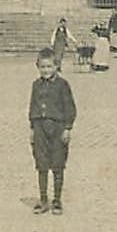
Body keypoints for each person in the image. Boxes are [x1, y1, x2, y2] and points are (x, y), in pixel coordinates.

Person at [29, 46, 76, 214]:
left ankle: (57, 200)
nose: (46, 70)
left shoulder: (63, 85)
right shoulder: (36, 85)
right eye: (42, 67)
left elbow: (70, 108)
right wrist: (33, 129)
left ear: (56, 66)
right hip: (40, 127)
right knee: (41, 164)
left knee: (57, 164)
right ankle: (43, 199)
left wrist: (67, 128)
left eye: (49, 66)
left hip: (57, 128)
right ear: (38, 67)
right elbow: (32, 107)